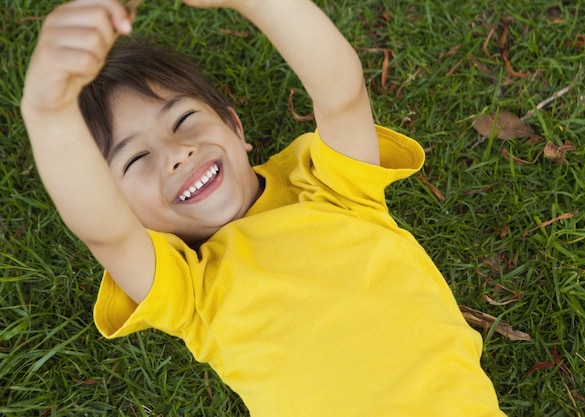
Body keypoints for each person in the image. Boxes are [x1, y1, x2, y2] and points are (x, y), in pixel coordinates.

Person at [21, 0, 507, 415]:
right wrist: (48, 112)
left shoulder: (326, 185)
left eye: (184, 119)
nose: (176, 152)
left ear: (235, 128)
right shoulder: (189, 288)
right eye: (137, 159)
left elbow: (342, 94)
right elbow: (102, 230)